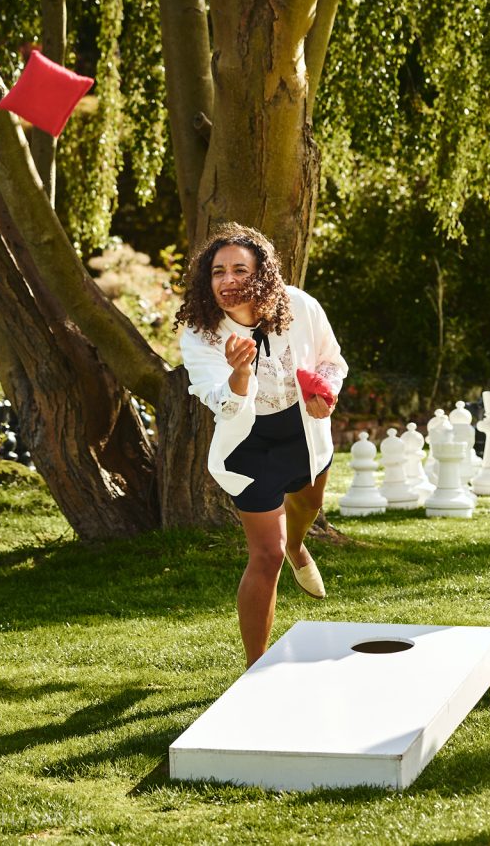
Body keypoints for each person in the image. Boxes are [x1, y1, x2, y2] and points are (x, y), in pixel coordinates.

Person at [175, 224, 348, 667]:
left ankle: (298, 545)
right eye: (217, 272)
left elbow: (332, 361)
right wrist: (238, 376)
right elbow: (220, 403)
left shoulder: (302, 306)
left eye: (239, 270)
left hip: (303, 430)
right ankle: (256, 668)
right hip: (248, 446)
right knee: (265, 554)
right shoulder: (200, 332)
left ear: (263, 275)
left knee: (309, 501)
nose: (227, 280)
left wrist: (323, 392)